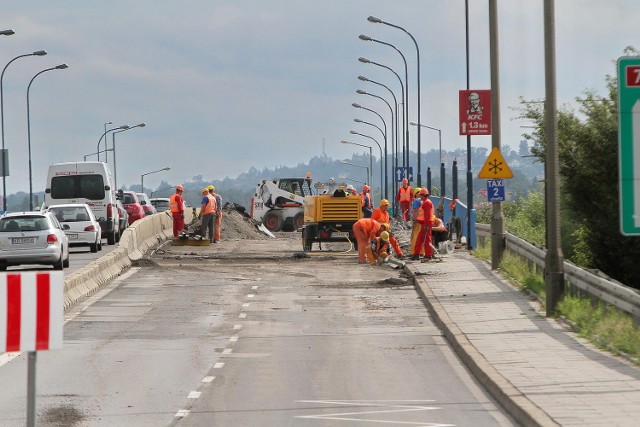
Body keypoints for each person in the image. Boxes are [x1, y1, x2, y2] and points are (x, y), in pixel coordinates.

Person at [412, 188, 434, 260]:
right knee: (421, 239)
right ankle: (417, 254)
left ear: (424, 195)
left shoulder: (427, 203)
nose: (419, 197)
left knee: (426, 239)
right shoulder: (425, 202)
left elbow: (427, 215)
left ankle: (428, 255)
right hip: (425, 223)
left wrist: (426, 225)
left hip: (426, 224)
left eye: (421, 195)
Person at [409, 187, 424, 256]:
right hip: (422, 221)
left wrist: (413, 220)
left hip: (417, 221)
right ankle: (421, 251)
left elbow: (415, 211)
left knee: (415, 237)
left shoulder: (417, 201)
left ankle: (413, 252)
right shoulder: (423, 201)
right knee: (421, 237)